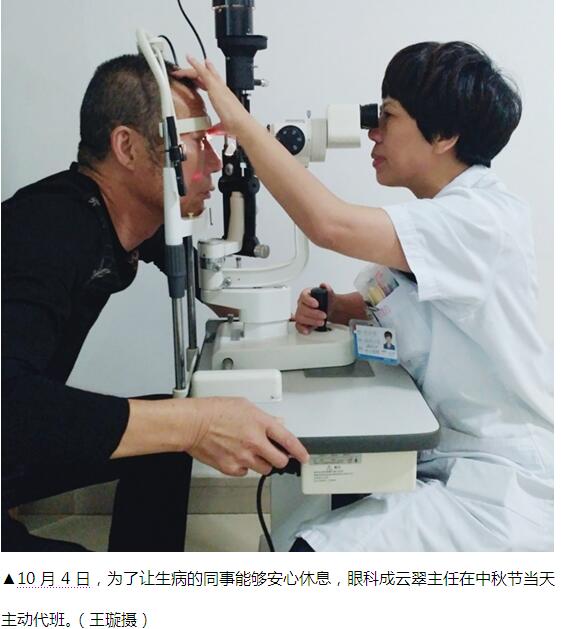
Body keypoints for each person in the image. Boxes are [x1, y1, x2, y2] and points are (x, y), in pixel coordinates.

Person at [179, 40, 553, 551]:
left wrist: (242, 125)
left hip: (497, 484)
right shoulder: (440, 217)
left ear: (444, 135)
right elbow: (416, 307)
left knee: (309, 558)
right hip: (440, 453)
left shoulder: (481, 219)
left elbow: (328, 225)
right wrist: (335, 308)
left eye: (388, 117)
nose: (373, 132)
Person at [1, 54, 308, 552]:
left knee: (167, 438)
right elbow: (10, 403)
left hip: (14, 444)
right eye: (194, 142)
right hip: (11, 423)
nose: (214, 163)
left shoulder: (129, 220)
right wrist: (198, 422)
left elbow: (212, 282)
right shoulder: (50, 229)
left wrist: (292, 310)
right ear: (127, 147)